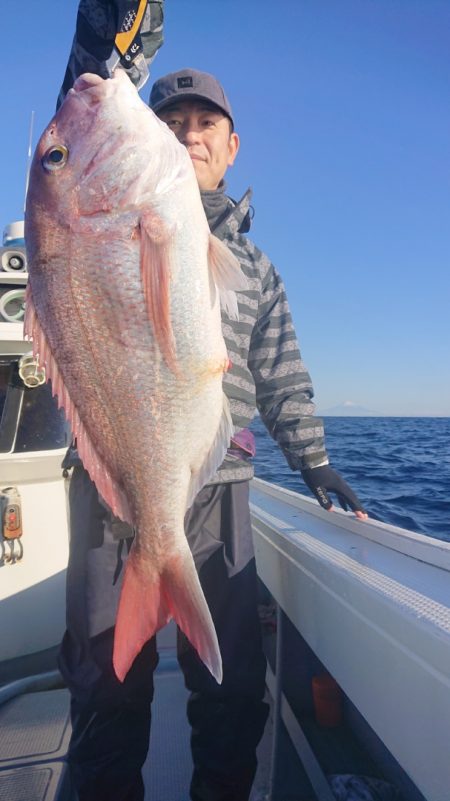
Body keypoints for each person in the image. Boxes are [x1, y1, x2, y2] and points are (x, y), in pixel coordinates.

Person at [57, 6, 368, 801]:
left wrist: (318, 463)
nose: (188, 132)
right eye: (172, 119)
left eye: (207, 122)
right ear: (150, 139)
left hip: (219, 491)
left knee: (232, 696)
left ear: (233, 150)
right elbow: (95, 82)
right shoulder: (109, 211)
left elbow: (281, 376)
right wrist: (113, 30)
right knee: (105, 693)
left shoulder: (254, 268)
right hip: (106, 483)